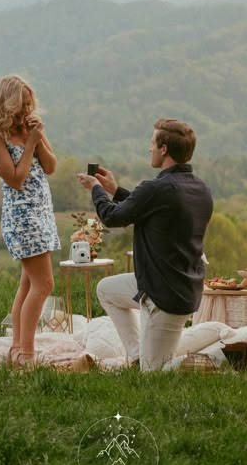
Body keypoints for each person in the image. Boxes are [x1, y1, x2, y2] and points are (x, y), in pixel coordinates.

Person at [77, 118, 213, 371]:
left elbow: (112, 217)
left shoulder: (157, 188)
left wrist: (96, 189)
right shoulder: (200, 189)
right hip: (174, 285)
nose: (149, 148)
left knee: (153, 375)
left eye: (152, 143)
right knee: (106, 289)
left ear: (164, 149)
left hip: (164, 296)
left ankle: (220, 356)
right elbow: (151, 209)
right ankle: (138, 356)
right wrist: (115, 190)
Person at [0, 74, 61, 368]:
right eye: (22, 105)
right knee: (45, 285)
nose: (28, 110)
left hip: (42, 211)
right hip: (22, 217)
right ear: (8, 105)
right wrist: (29, 145)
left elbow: (51, 167)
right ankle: (27, 354)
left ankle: (17, 348)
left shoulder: (32, 129)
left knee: (28, 286)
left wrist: (38, 139)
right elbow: (16, 179)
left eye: (30, 104)